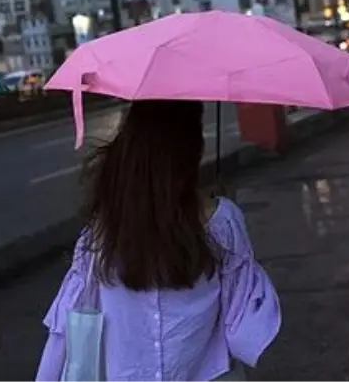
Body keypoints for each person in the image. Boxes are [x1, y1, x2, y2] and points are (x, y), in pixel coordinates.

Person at [36, 100, 280, 381]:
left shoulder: (103, 232)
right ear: (192, 149)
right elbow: (243, 331)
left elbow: (67, 329)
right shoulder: (222, 223)